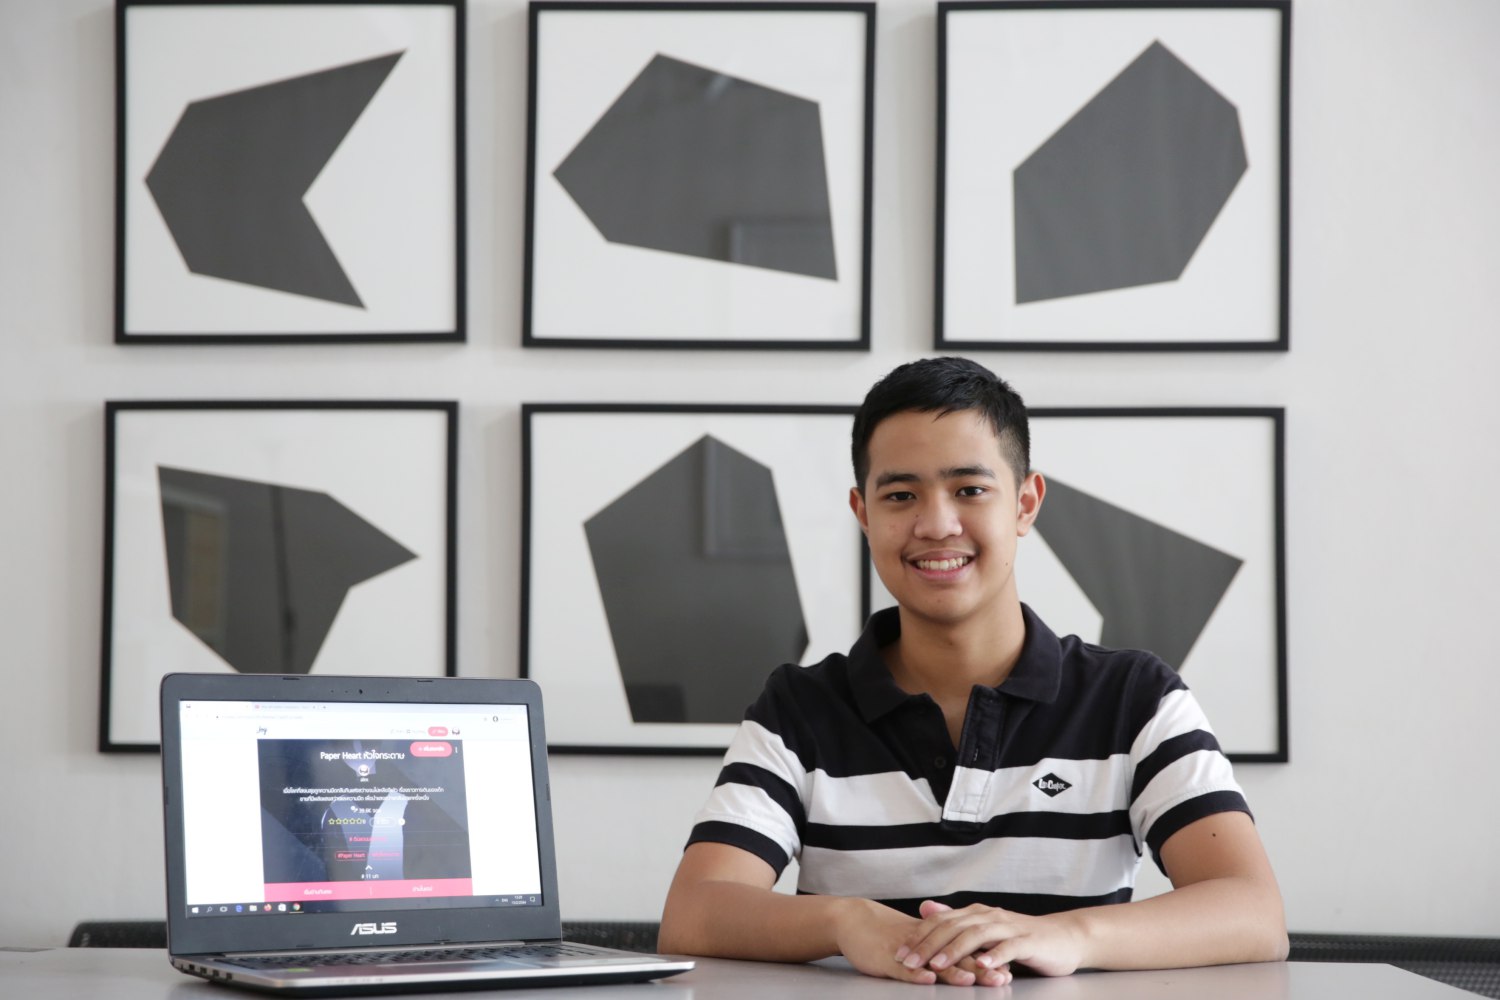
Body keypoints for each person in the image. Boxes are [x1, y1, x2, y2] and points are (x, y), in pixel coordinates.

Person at [658, 357, 1287, 986]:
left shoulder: (1135, 699)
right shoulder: (797, 708)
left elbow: (1254, 913)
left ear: (1025, 503)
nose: (936, 524)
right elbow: (692, 914)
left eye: (969, 490)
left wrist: (1067, 934)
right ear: (863, 513)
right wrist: (847, 920)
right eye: (900, 495)